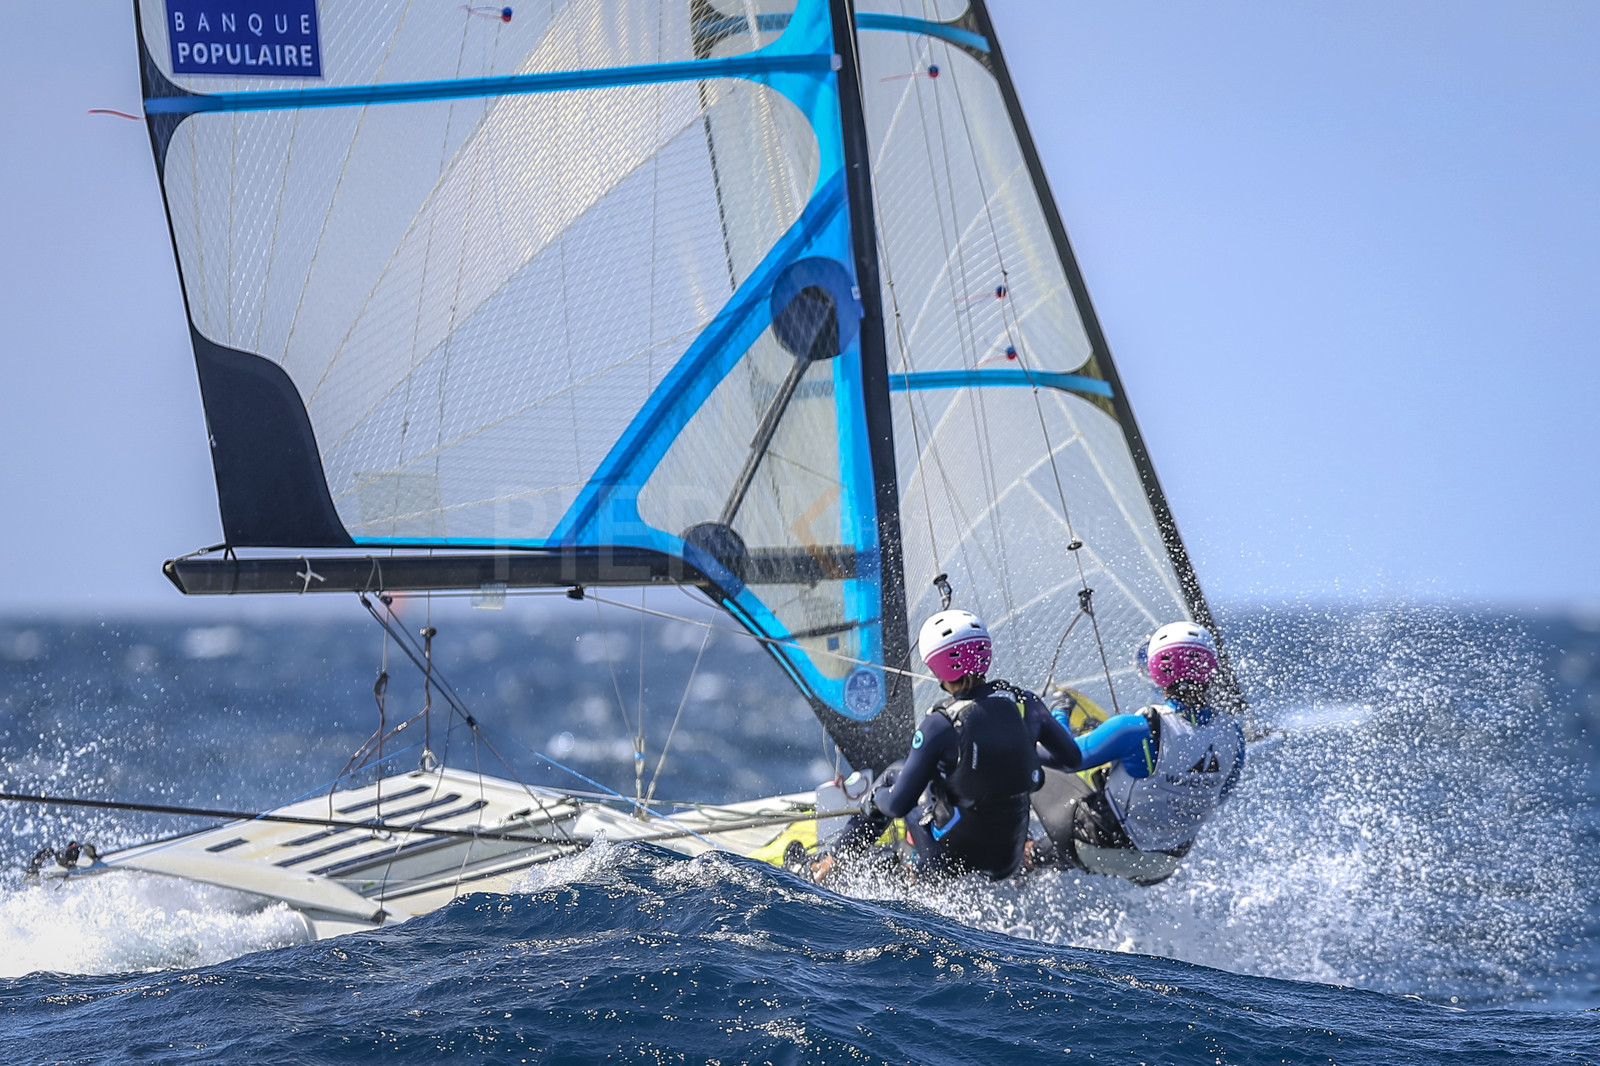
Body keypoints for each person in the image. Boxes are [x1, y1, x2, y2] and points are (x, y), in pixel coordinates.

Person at [814, 609, 1085, 881]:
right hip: (1007, 861)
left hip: (950, 865)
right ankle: (908, 860)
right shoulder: (1026, 704)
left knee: (895, 774)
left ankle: (832, 864)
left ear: (935, 666)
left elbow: (897, 805)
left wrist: (874, 798)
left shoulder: (940, 725)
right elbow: (1072, 759)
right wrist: (1020, 752)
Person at [1029, 621, 1246, 885]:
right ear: (1210, 669)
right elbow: (1218, 794)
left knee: (1030, 756)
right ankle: (1042, 854)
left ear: (1156, 670)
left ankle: (1019, 856)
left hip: (1099, 846)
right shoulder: (1233, 734)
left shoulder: (1136, 728)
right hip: (1163, 864)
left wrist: (1058, 712)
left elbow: (1066, 757)